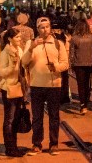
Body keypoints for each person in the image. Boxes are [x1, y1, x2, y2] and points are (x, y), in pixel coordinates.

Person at [21, 16, 69, 156]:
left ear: (50, 28)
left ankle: (54, 144)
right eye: (42, 27)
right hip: (36, 85)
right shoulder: (31, 43)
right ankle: (37, 144)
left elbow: (65, 63)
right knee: (37, 117)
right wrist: (31, 48)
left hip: (54, 85)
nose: (45, 29)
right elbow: (24, 62)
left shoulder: (58, 43)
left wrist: (57, 67)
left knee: (54, 116)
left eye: (47, 26)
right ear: (37, 29)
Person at [0, 28, 25, 158]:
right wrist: (12, 67)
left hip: (19, 87)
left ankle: (14, 146)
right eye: (17, 37)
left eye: (20, 37)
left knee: (15, 119)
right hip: (9, 88)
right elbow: (2, 72)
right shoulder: (5, 52)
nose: (20, 39)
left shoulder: (19, 50)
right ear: (10, 39)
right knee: (9, 119)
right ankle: (9, 148)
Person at [69, 19, 92, 115]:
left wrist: (71, 64)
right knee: (87, 83)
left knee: (80, 85)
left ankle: (83, 105)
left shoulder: (74, 38)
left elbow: (72, 53)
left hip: (78, 63)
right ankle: (86, 99)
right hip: (89, 63)